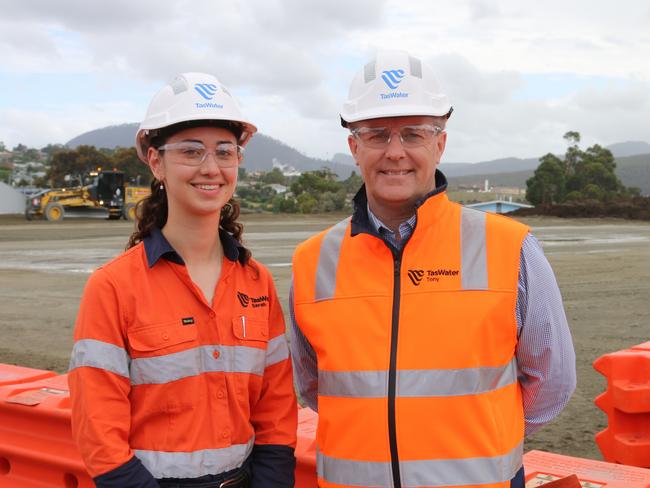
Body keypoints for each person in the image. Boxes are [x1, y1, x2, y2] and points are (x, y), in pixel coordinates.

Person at [290, 50, 576, 488]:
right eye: (376, 134)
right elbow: (314, 387)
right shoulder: (312, 261)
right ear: (353, 147)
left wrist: (480, 439)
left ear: (440, 143)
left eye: (414, 134)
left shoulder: (509, 247)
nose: (395, 152)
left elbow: (551, 382)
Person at [69, 72, 297, 488]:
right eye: (192, 151)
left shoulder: (257, 282)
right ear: (156, 161)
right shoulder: (114, 287)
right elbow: (99, 433)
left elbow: (277, 409)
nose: (211, 168)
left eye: (224, 152)